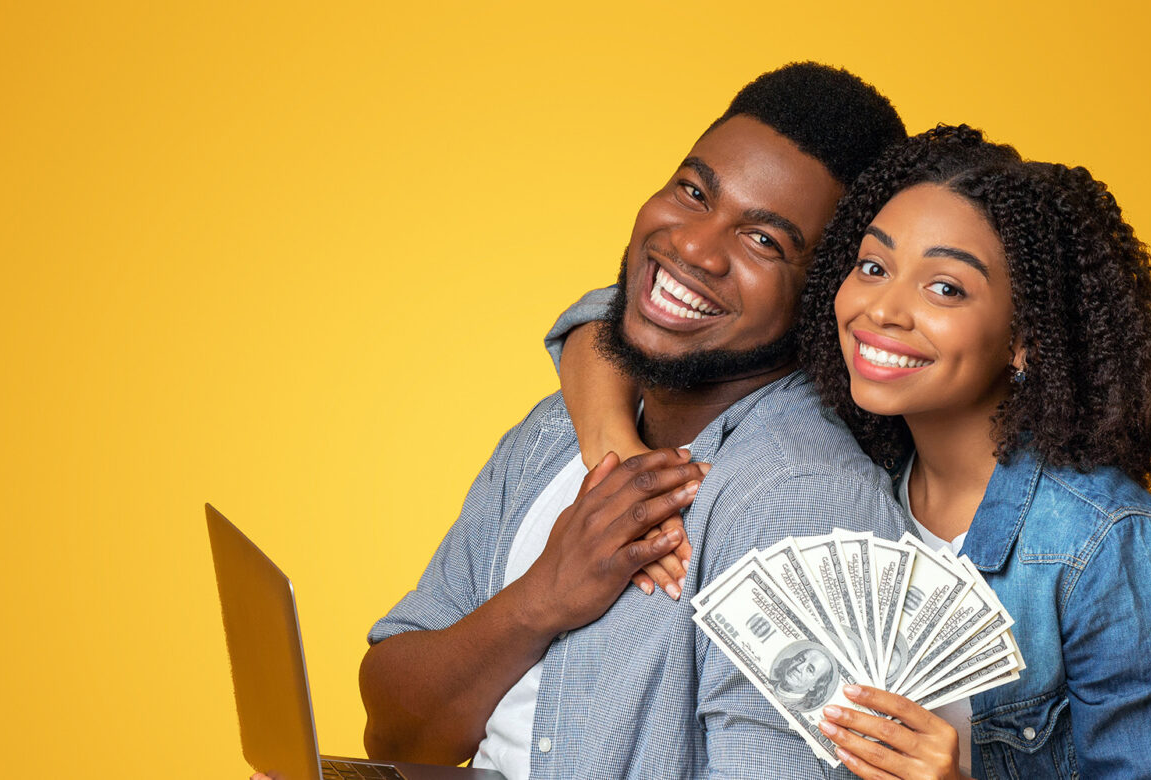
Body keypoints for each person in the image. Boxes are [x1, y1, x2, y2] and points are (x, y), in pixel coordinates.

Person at [553, 126, 1151, 778]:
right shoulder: (853, 464)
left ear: (1028, 340)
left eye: (945, 288)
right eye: (872, 267)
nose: (882, 310)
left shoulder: (1104, 550)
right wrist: (613, 447)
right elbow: (612, 314)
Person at [357, 63, 911, 780]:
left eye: (765, 241)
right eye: (693, 191)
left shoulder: (800, 504)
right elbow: (395, 734)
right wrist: (539, 600)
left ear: (823, 297)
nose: (693, 246)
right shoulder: (554, 433)